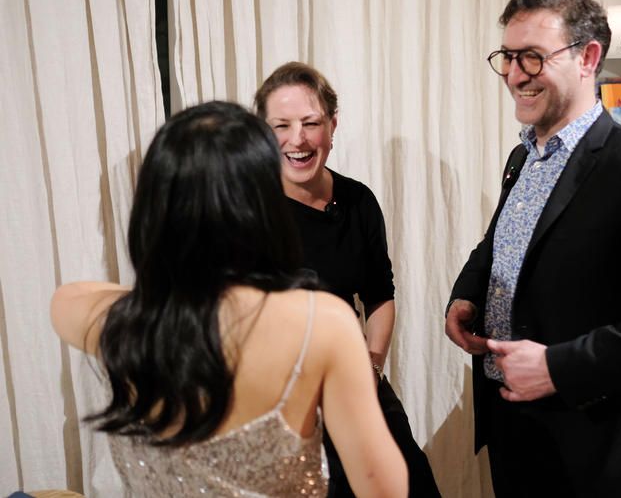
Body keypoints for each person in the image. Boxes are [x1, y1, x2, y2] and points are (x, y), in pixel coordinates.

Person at [445, 0, 621, 497]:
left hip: (588, 446)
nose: (513, 75)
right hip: (514, 427)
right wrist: (467, 292)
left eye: (531, 57)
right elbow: (503, 239)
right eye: (507, 57)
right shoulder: (523, 155)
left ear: (588, 57)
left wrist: (558, 367)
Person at [50, 101, 407, 498]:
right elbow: (384, 489)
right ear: (262, 208)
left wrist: (174, 297)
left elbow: (68, 298)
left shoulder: (115, 322)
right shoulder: (322, 324)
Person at [254, 62, 440, 498]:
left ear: (332, 125)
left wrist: (372, 366)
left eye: (311, 123)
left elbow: (380, 294)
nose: (297, 139)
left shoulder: (358, 200)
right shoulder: (246, 211)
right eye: (281, 125)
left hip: (356, 386)